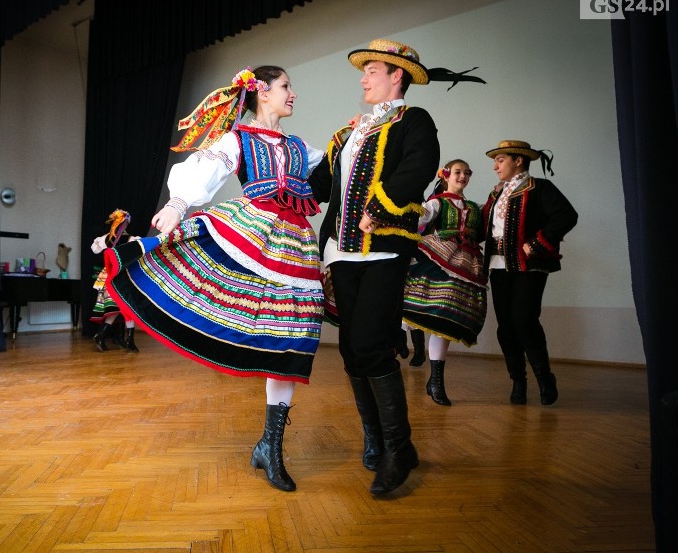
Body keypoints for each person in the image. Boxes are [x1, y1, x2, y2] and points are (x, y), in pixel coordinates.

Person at [104, 66, 329, 492]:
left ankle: (270, 445)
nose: (293, 94)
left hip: (295, 243)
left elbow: (333, 170)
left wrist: (353, 139)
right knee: (223, 291)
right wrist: (178, 204)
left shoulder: (303, 148)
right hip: (254, 231)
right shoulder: (238, 138)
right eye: (286, 86)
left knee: (293, 336)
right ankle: (268, 444)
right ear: (262, 92)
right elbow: (206, 170)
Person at [311, 39, 484, 495]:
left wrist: (381, 208)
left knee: (370, 342)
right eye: (363, 72)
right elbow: (321, 185)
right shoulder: (352, 131)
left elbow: (417, 167)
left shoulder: (415, 121)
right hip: (341, 252)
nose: (364, 79)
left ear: (397, 76)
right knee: (352, 350)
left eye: (371, 71)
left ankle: (399, 446)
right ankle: (377, 440)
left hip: (384, 249)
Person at [482, 140, 578, 405]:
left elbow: (566, 215)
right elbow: (482, 229)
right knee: (506, 327)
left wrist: (536, 243)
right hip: (498, 266)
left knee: (524, 320)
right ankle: (518, 381)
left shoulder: (540, 188)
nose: (495, 166)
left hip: (528, 266)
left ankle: (544, 377)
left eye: (500, 160)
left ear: (519, 160)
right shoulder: (495, 194)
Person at [402, 159, 488, 405]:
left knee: (448, 318)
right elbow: (418, 222)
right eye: (458, 172)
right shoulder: (437, 203)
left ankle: (436, 380)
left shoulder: (474, 207)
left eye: (466, 173)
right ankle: (398, 346)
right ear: (446, 175)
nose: (462, 177)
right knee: (417, 306)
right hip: (438, 259)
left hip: (467, 264)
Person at [90, 209, 139, 353]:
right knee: (120, 308)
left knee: (124, 308)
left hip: (111, 275)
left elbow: (95, 250)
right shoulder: (130, 239)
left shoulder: (104, 239)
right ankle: (103, 335)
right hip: (119, 276)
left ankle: (127, 340)